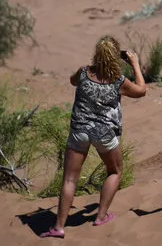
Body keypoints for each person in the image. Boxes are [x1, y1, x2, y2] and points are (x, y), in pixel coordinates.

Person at [40, 35, 146, 239]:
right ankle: (101, 216)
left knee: (70, 179)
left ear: (97, 55)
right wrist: (134, 64)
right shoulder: (118, 81)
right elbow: (141, 91)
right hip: (104, 133)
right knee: (114, 171)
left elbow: (72, 81)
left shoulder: (83, 72)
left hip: (79, 130)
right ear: (116, 57)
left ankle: (59, 227)